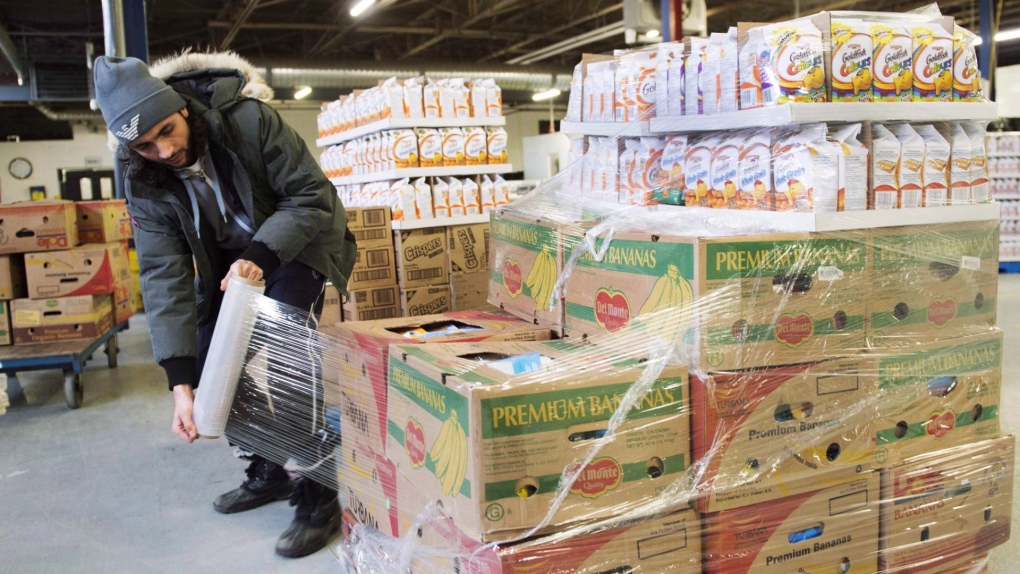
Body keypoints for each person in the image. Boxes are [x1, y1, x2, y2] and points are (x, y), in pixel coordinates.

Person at [93, 52, 356, 558]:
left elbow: (310, 197)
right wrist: (179, 381)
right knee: (214, 367)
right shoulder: (140, 175)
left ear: (181, 109)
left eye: (167, 131)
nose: (165, 150)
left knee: (286, 359)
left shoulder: (248, 120)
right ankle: (267, 469)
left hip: (298, 245)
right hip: (228, 264)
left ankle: (317, 497)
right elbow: (163, 270)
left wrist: (258, 257)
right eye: (145, 146)